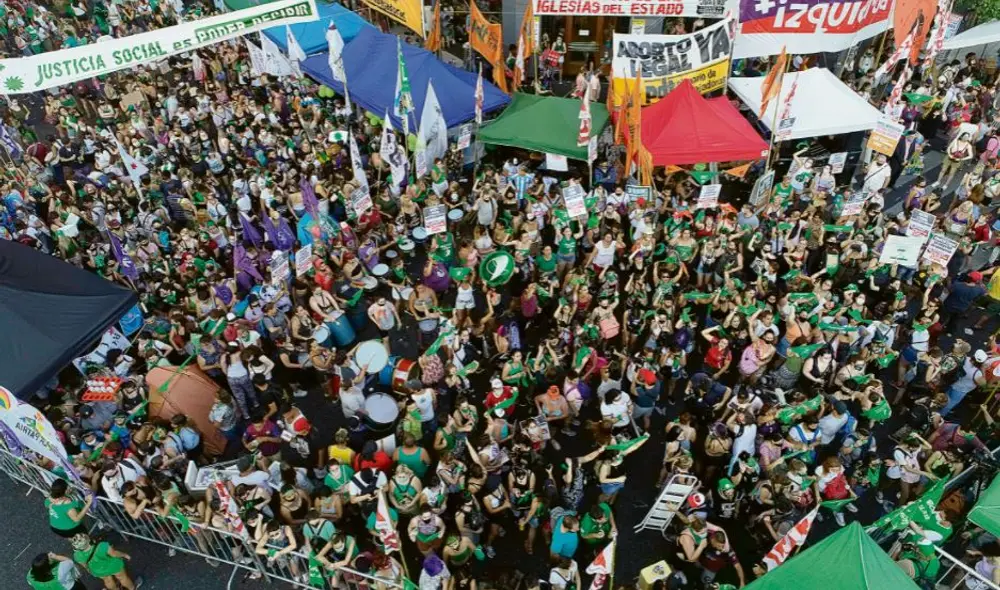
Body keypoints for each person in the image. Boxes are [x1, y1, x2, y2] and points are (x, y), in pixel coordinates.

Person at [70, 533, 139, 590]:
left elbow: (85, 566)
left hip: (98, 570)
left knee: (107, 580)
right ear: (87, 539)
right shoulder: (102, 546)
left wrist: (91, 571)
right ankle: (132, 588)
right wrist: (125, 555)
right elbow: (114, 554)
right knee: (122, 577)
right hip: (113, 566)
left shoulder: (77, 555)